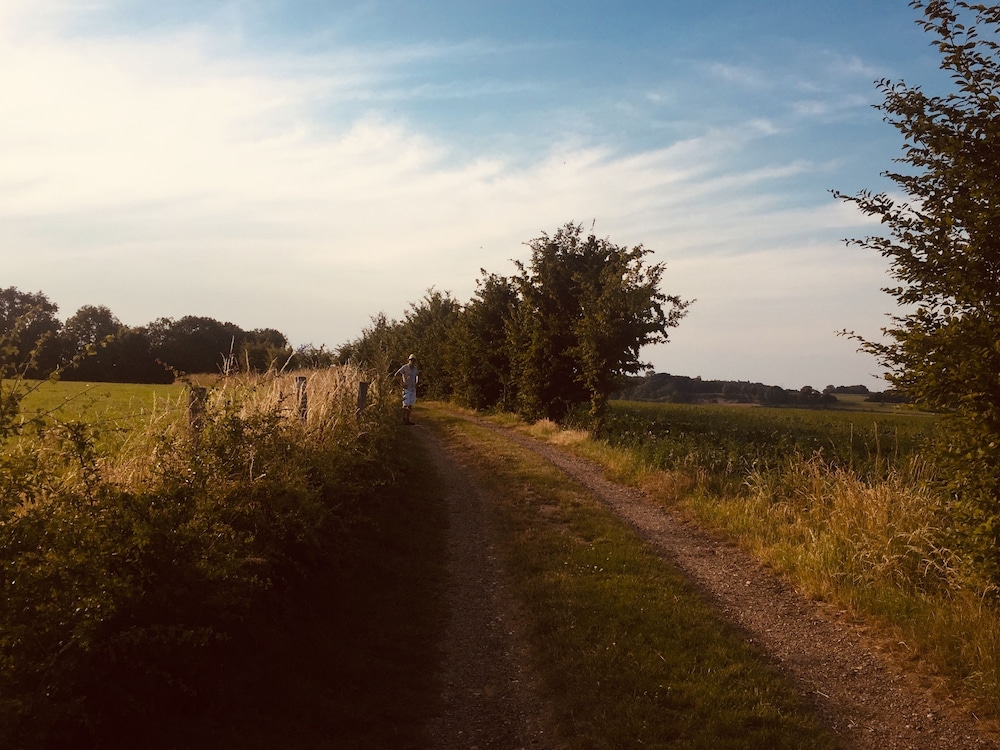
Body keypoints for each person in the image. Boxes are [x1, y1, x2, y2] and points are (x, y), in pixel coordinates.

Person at [394, 353, 420, 425]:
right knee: (405, 404)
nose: (412, 361)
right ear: (409, 360)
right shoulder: (405, 367)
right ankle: (403, 419)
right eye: (411, 360)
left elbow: (417, 375)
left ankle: (407, 419)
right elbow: (396, 375)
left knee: (410, 405)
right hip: (406, 389)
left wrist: (417, 382)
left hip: (413, 389)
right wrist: (401, 383)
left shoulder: (415, 369)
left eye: (414, 360)